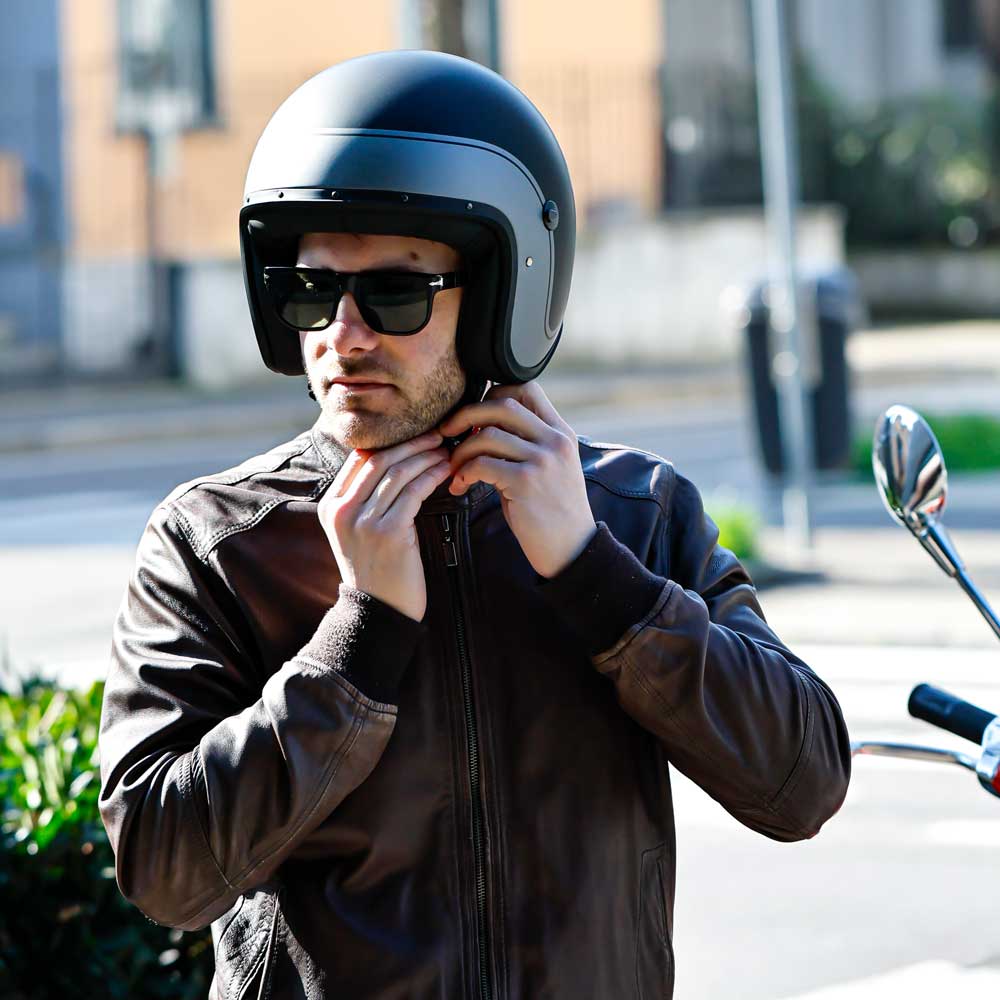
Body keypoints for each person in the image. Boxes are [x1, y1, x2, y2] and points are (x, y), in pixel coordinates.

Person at [97, 50, 852, 1000]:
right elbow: (162, 870)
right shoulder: (216, 543)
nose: (343, 334)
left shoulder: (635, 514)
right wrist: (358, 640)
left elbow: (804, 783)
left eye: (397, 293)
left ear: (503, 293)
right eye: (310, 289)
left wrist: (593, 576)